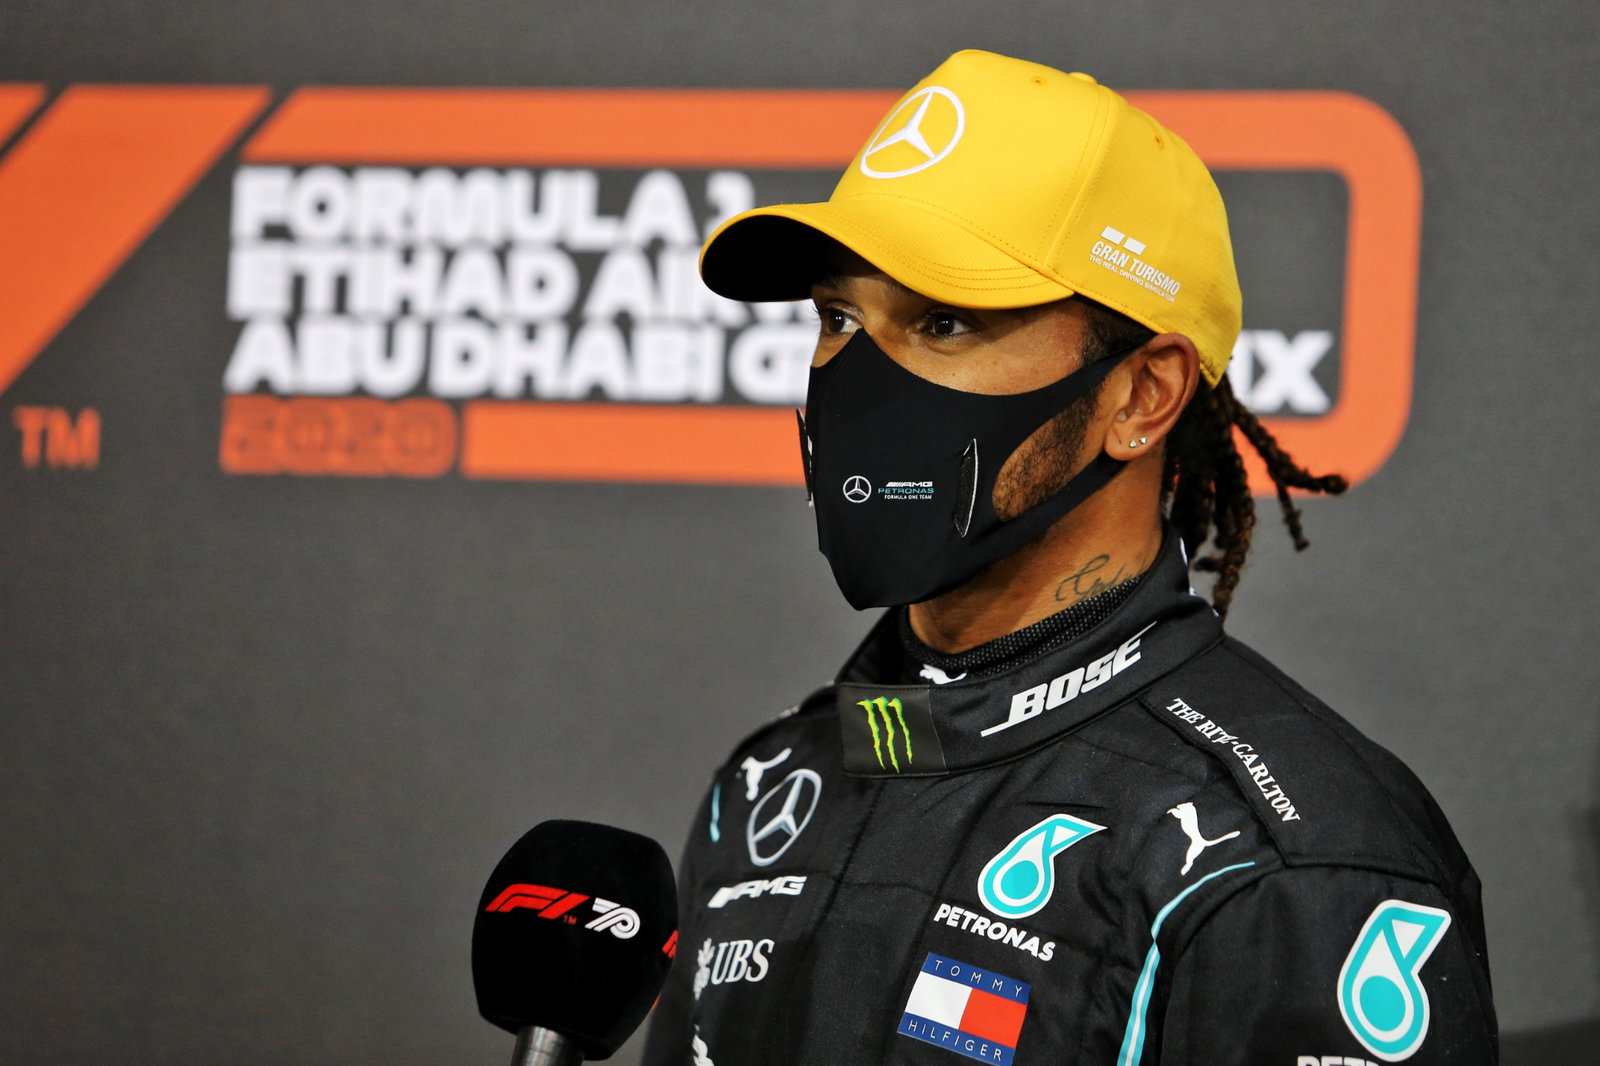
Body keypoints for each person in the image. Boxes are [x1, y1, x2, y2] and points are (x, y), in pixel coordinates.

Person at [642, 50, 1496, 1065]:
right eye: (838, 318)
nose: (857, 377)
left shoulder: (1292, 859)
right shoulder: (772, 784)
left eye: (943, 320)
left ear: (1141, 396)